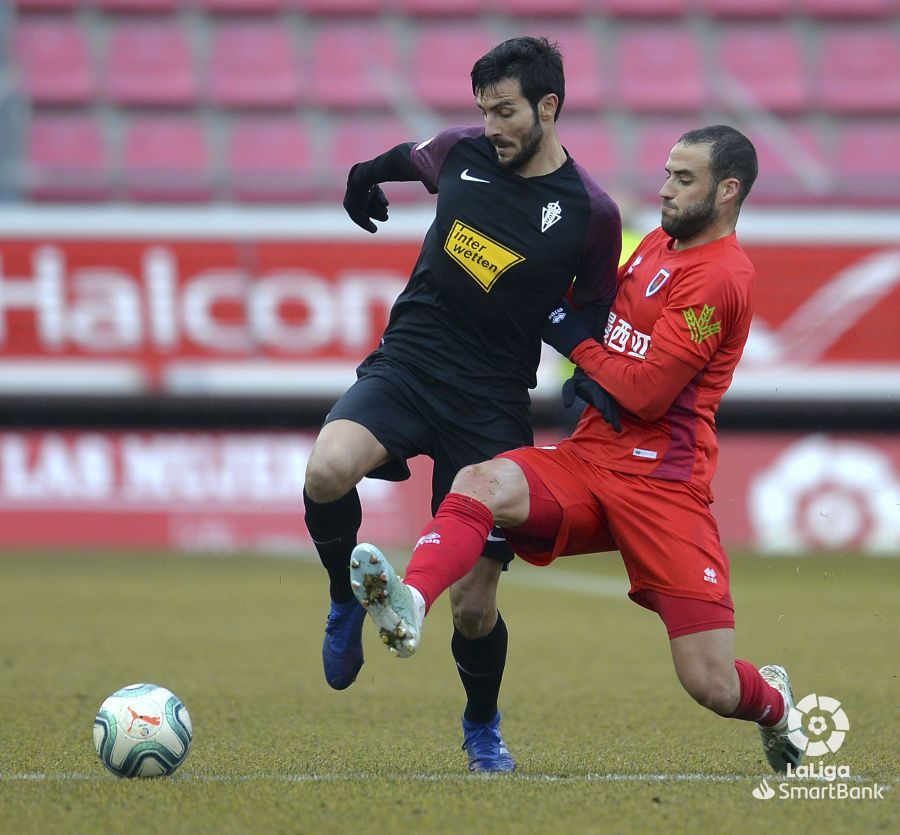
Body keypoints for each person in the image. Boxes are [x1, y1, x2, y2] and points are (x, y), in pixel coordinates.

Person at [349, 125, 805, 774]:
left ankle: (776, 705)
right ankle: (411, 602)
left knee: (711, 684)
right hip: (591, 459)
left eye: (684, 179)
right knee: (480, 481)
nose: (665, 188)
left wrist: (573, 342)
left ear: (727, 191)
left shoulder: (723, 277)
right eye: (667, 173)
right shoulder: (656, 245)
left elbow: (646, 393)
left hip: (663, 487)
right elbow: (595, 314)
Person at [303, 36, 622, 772]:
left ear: (548, 106)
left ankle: (482, 726)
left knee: (474, 608)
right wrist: (361, 178)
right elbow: (403, 157)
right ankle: (343, 599)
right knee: (325, 471)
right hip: (410, 363)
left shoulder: (590, 215)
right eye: (484, 110)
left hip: (492, 402)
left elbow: (596, 313)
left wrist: (588, 369)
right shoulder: (461, 151)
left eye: (505, 111)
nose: (494, 125)